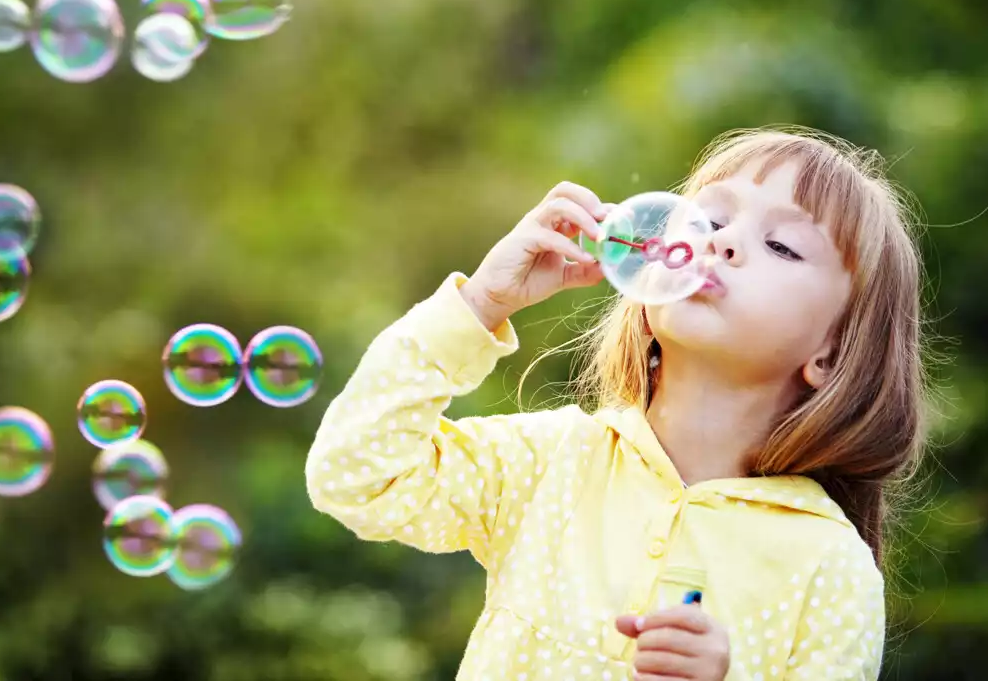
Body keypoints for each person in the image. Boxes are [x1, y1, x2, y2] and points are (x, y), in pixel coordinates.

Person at [305, 127, 931, 680]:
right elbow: (357, 476)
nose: (724, 243)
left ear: (831, 352)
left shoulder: (829, 567)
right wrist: (481, 306)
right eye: (709, 220)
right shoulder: (552, 463)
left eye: (783, 247)